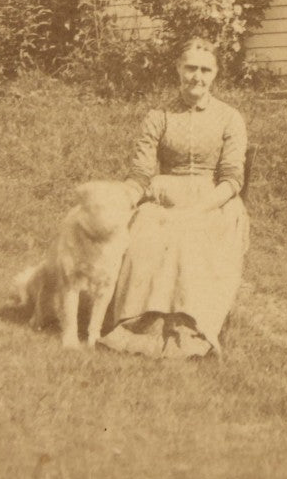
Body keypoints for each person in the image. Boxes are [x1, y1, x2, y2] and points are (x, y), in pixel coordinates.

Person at [98, 39, 250, 359]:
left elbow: (232, 179)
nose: (197, 76)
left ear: (216, 74)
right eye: (191, 67)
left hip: (214, 202)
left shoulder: (229, 118)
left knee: (188, 233)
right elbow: (140, 173)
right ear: (178, 69)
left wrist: (197, 208)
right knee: (144, 229)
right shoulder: (159, 116)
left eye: (205, 69)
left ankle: (188, 329)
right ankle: (139, 326)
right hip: (163, 197)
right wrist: (124, 197)